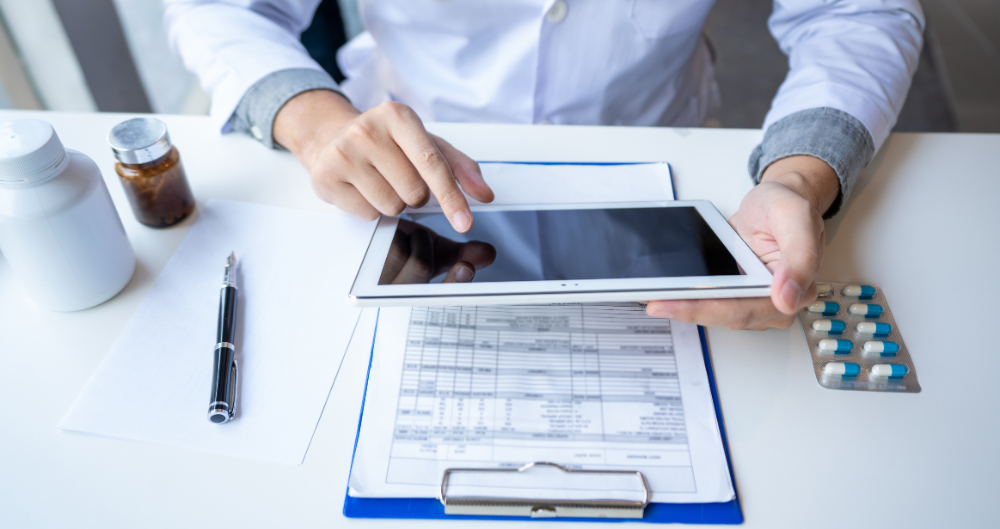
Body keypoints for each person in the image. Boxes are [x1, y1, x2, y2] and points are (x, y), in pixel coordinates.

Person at [164, 0, 923, 330]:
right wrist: (311, 118)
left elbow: (853, 11)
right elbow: (222, 6)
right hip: (397, 173)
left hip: (663, 153)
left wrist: (798, 174)